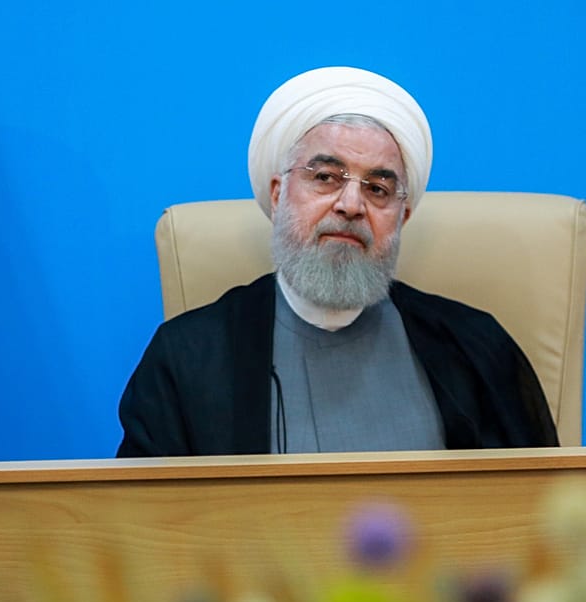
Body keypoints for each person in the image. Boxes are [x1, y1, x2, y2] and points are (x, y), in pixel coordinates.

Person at [117, 66, 558, 457]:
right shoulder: (187, 357)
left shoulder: (476, 348)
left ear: (402, 218)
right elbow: (144, 518)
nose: (351, 205)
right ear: (278, 195)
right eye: (326, 177)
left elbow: (541, 506)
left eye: (377, 189)